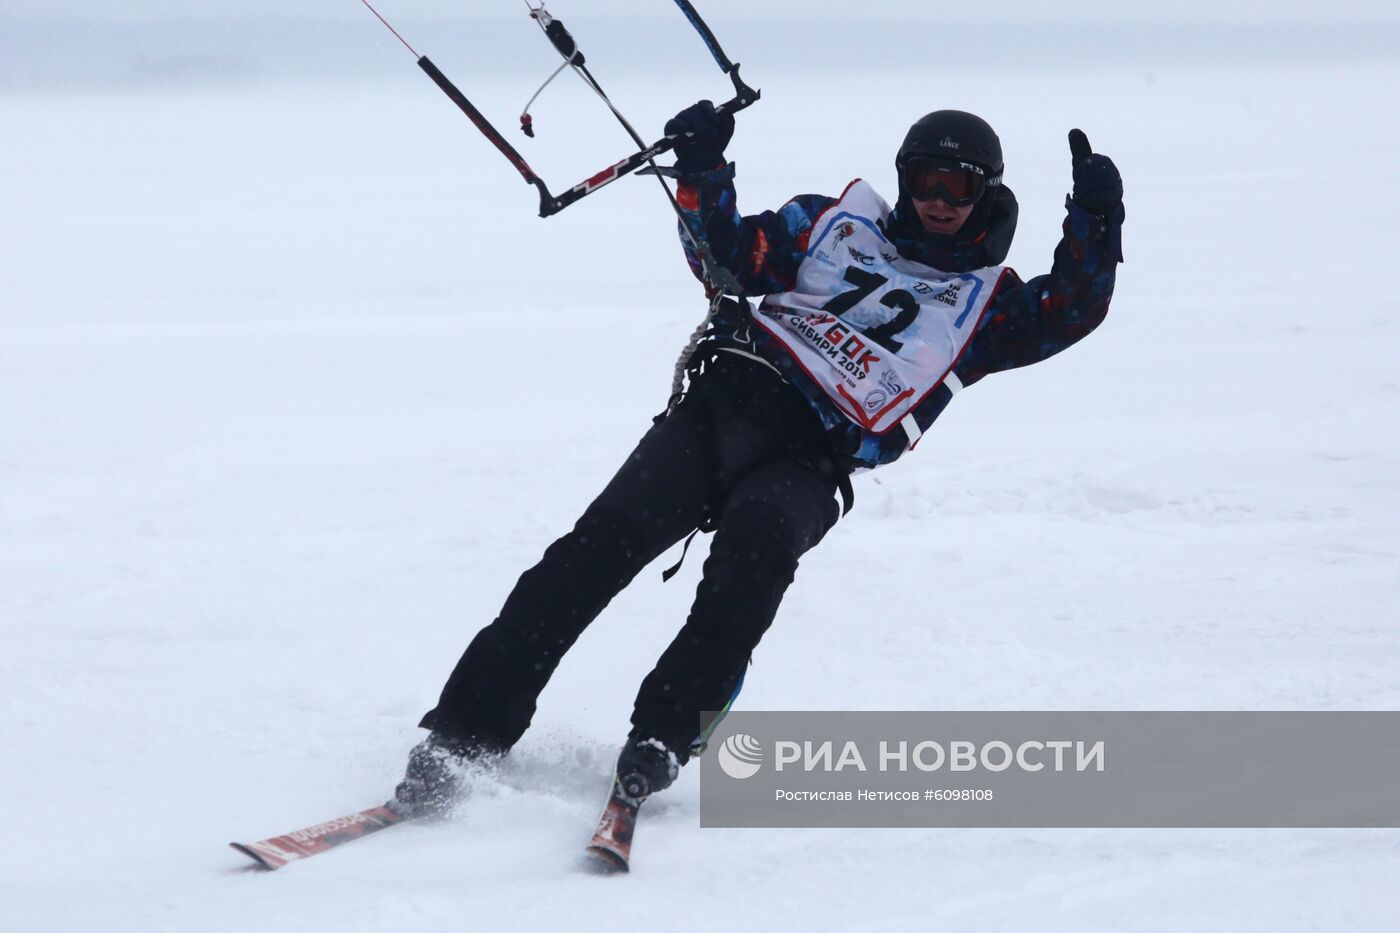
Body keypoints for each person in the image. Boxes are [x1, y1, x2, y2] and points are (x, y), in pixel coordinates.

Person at [391, 103, 1124, 816]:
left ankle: (661, 736)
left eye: (958, 187)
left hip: (811, 461)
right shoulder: (831, 224)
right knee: (587, 556)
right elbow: (728, 257)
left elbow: (1070, 310)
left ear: (986, 192)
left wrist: (1094, 223)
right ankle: (465, 733)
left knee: (748, 572)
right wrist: (703, 167)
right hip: (724, 409)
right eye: (926, 180)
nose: (938, 201)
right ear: (903, 178)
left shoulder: (991, 307)